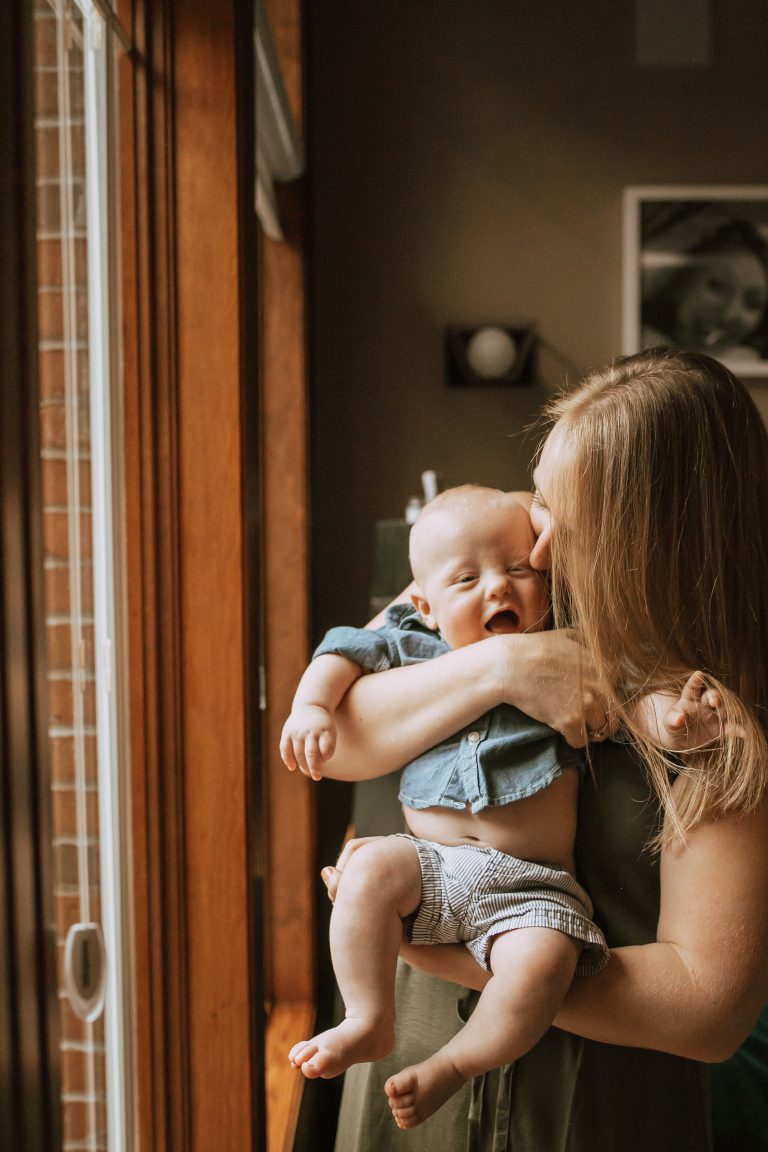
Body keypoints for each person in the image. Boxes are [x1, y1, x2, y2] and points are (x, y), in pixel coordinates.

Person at [316, 349, 768, 1151]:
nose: (541, 541)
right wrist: (501, 667)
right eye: (541, 504)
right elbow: (342, 739)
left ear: (646, 536)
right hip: (406, 1086)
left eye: (568, 517)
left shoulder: (715, 712)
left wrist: (439, 941)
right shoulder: (501, 583)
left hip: (593, 1115)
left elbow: (708, 1012)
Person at [282, 485, 723, 1130]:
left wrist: (679, 722)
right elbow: (340, 653)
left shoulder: (576, 647)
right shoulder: (411, 640)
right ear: (424, 603)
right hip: (432, 865)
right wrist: (309, 708)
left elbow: (635, 693)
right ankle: (367, 1018)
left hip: (534, 887)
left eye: (518, 569)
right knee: (367, 874)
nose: (497, 587)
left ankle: (454, 1066)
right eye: (469, 578)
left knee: (547, 962)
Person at [641, 221, 768, 364]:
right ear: (681, 279)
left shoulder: (751, 362)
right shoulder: (639, 345)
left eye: (753, 303)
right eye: (717, 287)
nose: (729, 314)